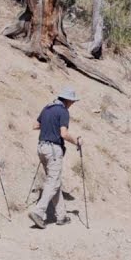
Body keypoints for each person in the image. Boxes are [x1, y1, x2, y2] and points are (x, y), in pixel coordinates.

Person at [28, 86, 82, 229]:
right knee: (53, 181)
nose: (73, 104)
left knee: (54, 181)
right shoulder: (63, 111)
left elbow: (35, 125)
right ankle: (38, 212)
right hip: (53, 149)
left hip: (41, 147)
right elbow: (63, 134)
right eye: (73, 101)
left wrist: (49, 125)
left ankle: (61, 216)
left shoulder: (47, 108)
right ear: (68, 100)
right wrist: (77, 141)